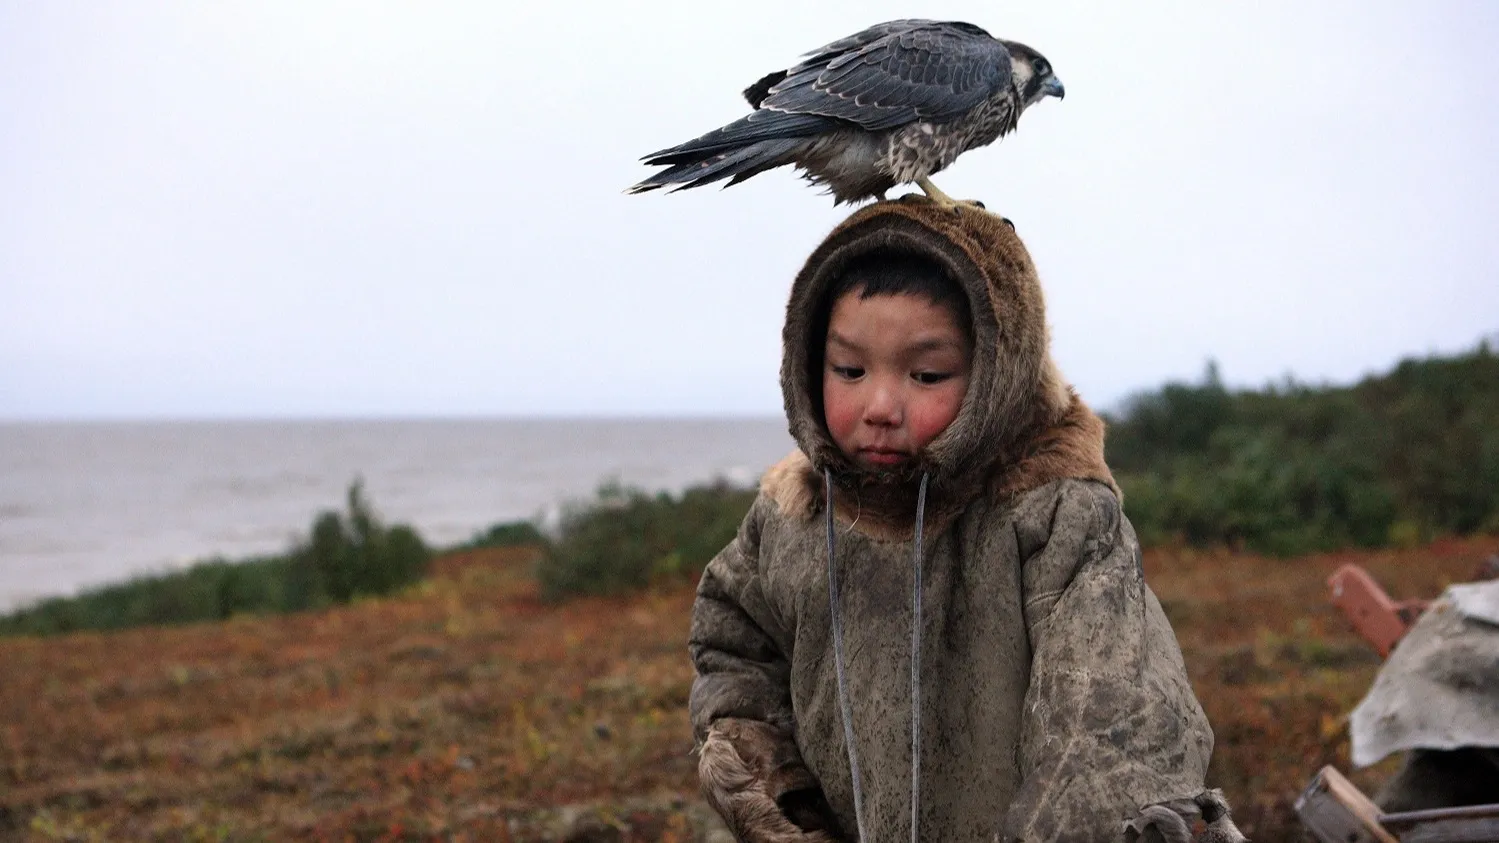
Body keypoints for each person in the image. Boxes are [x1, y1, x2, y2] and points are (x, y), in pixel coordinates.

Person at [688, 199, 1238, 842]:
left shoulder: (1056, 515)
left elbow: (1115, 721)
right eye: (849, 370)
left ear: (996, 373)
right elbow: (733, 648)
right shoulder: (792, 517)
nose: (881, 405)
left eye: (926, 374)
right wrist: (784, 805)